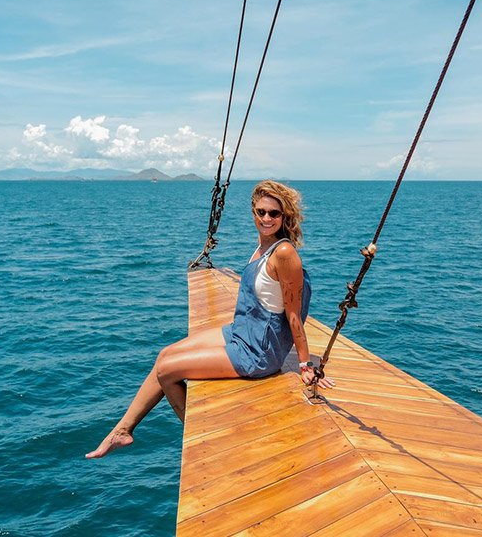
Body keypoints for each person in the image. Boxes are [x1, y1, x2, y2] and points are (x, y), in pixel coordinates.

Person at [86, 180, 334, 459]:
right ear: (253, 212)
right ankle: (122, 430)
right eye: (261, 212)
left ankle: (199, 439)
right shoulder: (262, 246)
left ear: (284, 216)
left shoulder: (284, 253)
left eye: (274, 213)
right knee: (165, 354)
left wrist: (304, 365)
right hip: (241, 332)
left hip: (258, 352)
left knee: (167, 370)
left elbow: (293, 313)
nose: (266, 218)